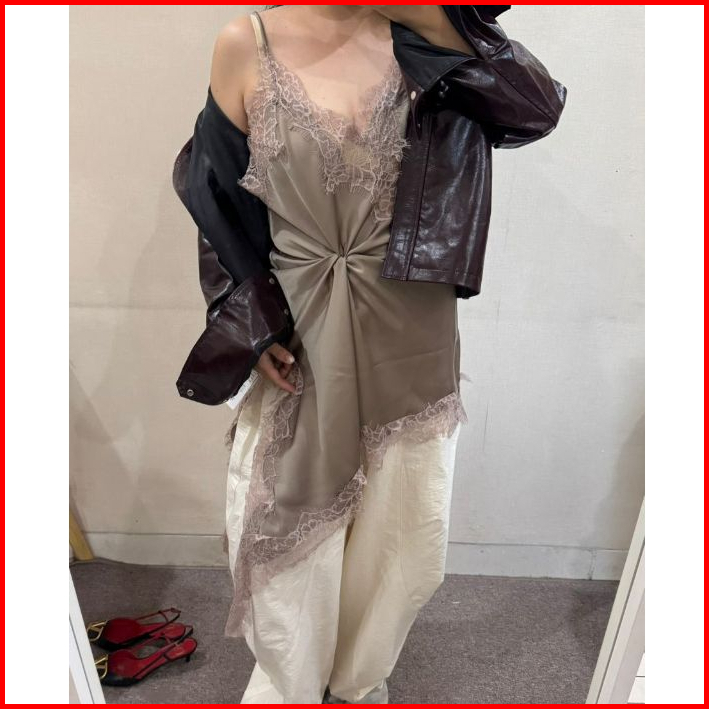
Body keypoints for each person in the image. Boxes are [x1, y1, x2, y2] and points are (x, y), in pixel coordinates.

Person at [212, 5, 466, 704]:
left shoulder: (429, 37)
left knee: (403, 527)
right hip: (301, 324)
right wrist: (252, 324)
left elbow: (533, 109)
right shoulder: (247, 42)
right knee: (288, 507)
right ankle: (292, 681)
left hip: (412, 325)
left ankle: (358, 680)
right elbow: (215, 200)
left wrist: (438, 22)